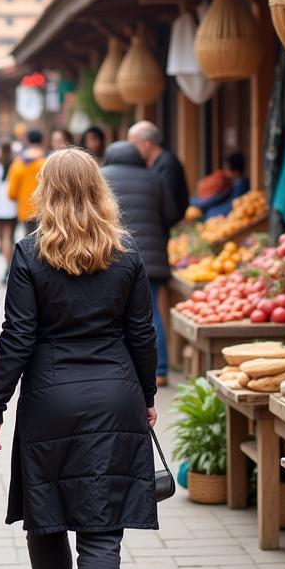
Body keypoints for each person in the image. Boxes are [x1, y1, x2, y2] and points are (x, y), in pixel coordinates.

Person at [0, 149, 158, 569]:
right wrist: (147, 396)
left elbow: (19, 335)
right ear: (99, 190)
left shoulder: (30, 253)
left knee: (47, 510)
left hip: (49, 399)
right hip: (114, 397)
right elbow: (143, 336)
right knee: (102, 534)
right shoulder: (125, 255)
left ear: (45, 192)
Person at [100, 141, 176, 386]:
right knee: (150, 312)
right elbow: (170, 215)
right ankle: (160, 369)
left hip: (114, 255)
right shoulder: (155, 179)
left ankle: (123, 368)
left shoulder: (102, 176)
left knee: (116, 311)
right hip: (152, 257)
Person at [127, 121, 188, 223]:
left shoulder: (168, 164)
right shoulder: (150, 163)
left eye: (133, 145)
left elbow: (164, 199)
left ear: (147, 144)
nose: (131, 150)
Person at [7, 128, 47, 232]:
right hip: (45, 209)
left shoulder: (19, 162)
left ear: (28, 140)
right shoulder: (47, 161)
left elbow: (12, 192)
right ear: (42, 140)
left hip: (26, 210)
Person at [0, 140, 18, 275]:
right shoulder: (14, 164)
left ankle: (6, 260)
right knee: (8, 238)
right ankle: (8, 265)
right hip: (11, 206)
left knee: (0, 236)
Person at [190, 152, 251, 219]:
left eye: (226, 168)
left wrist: (192, 201)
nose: (225, 171)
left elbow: (226, 203)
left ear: (234, 170)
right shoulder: (235, 183)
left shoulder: (240, 185)